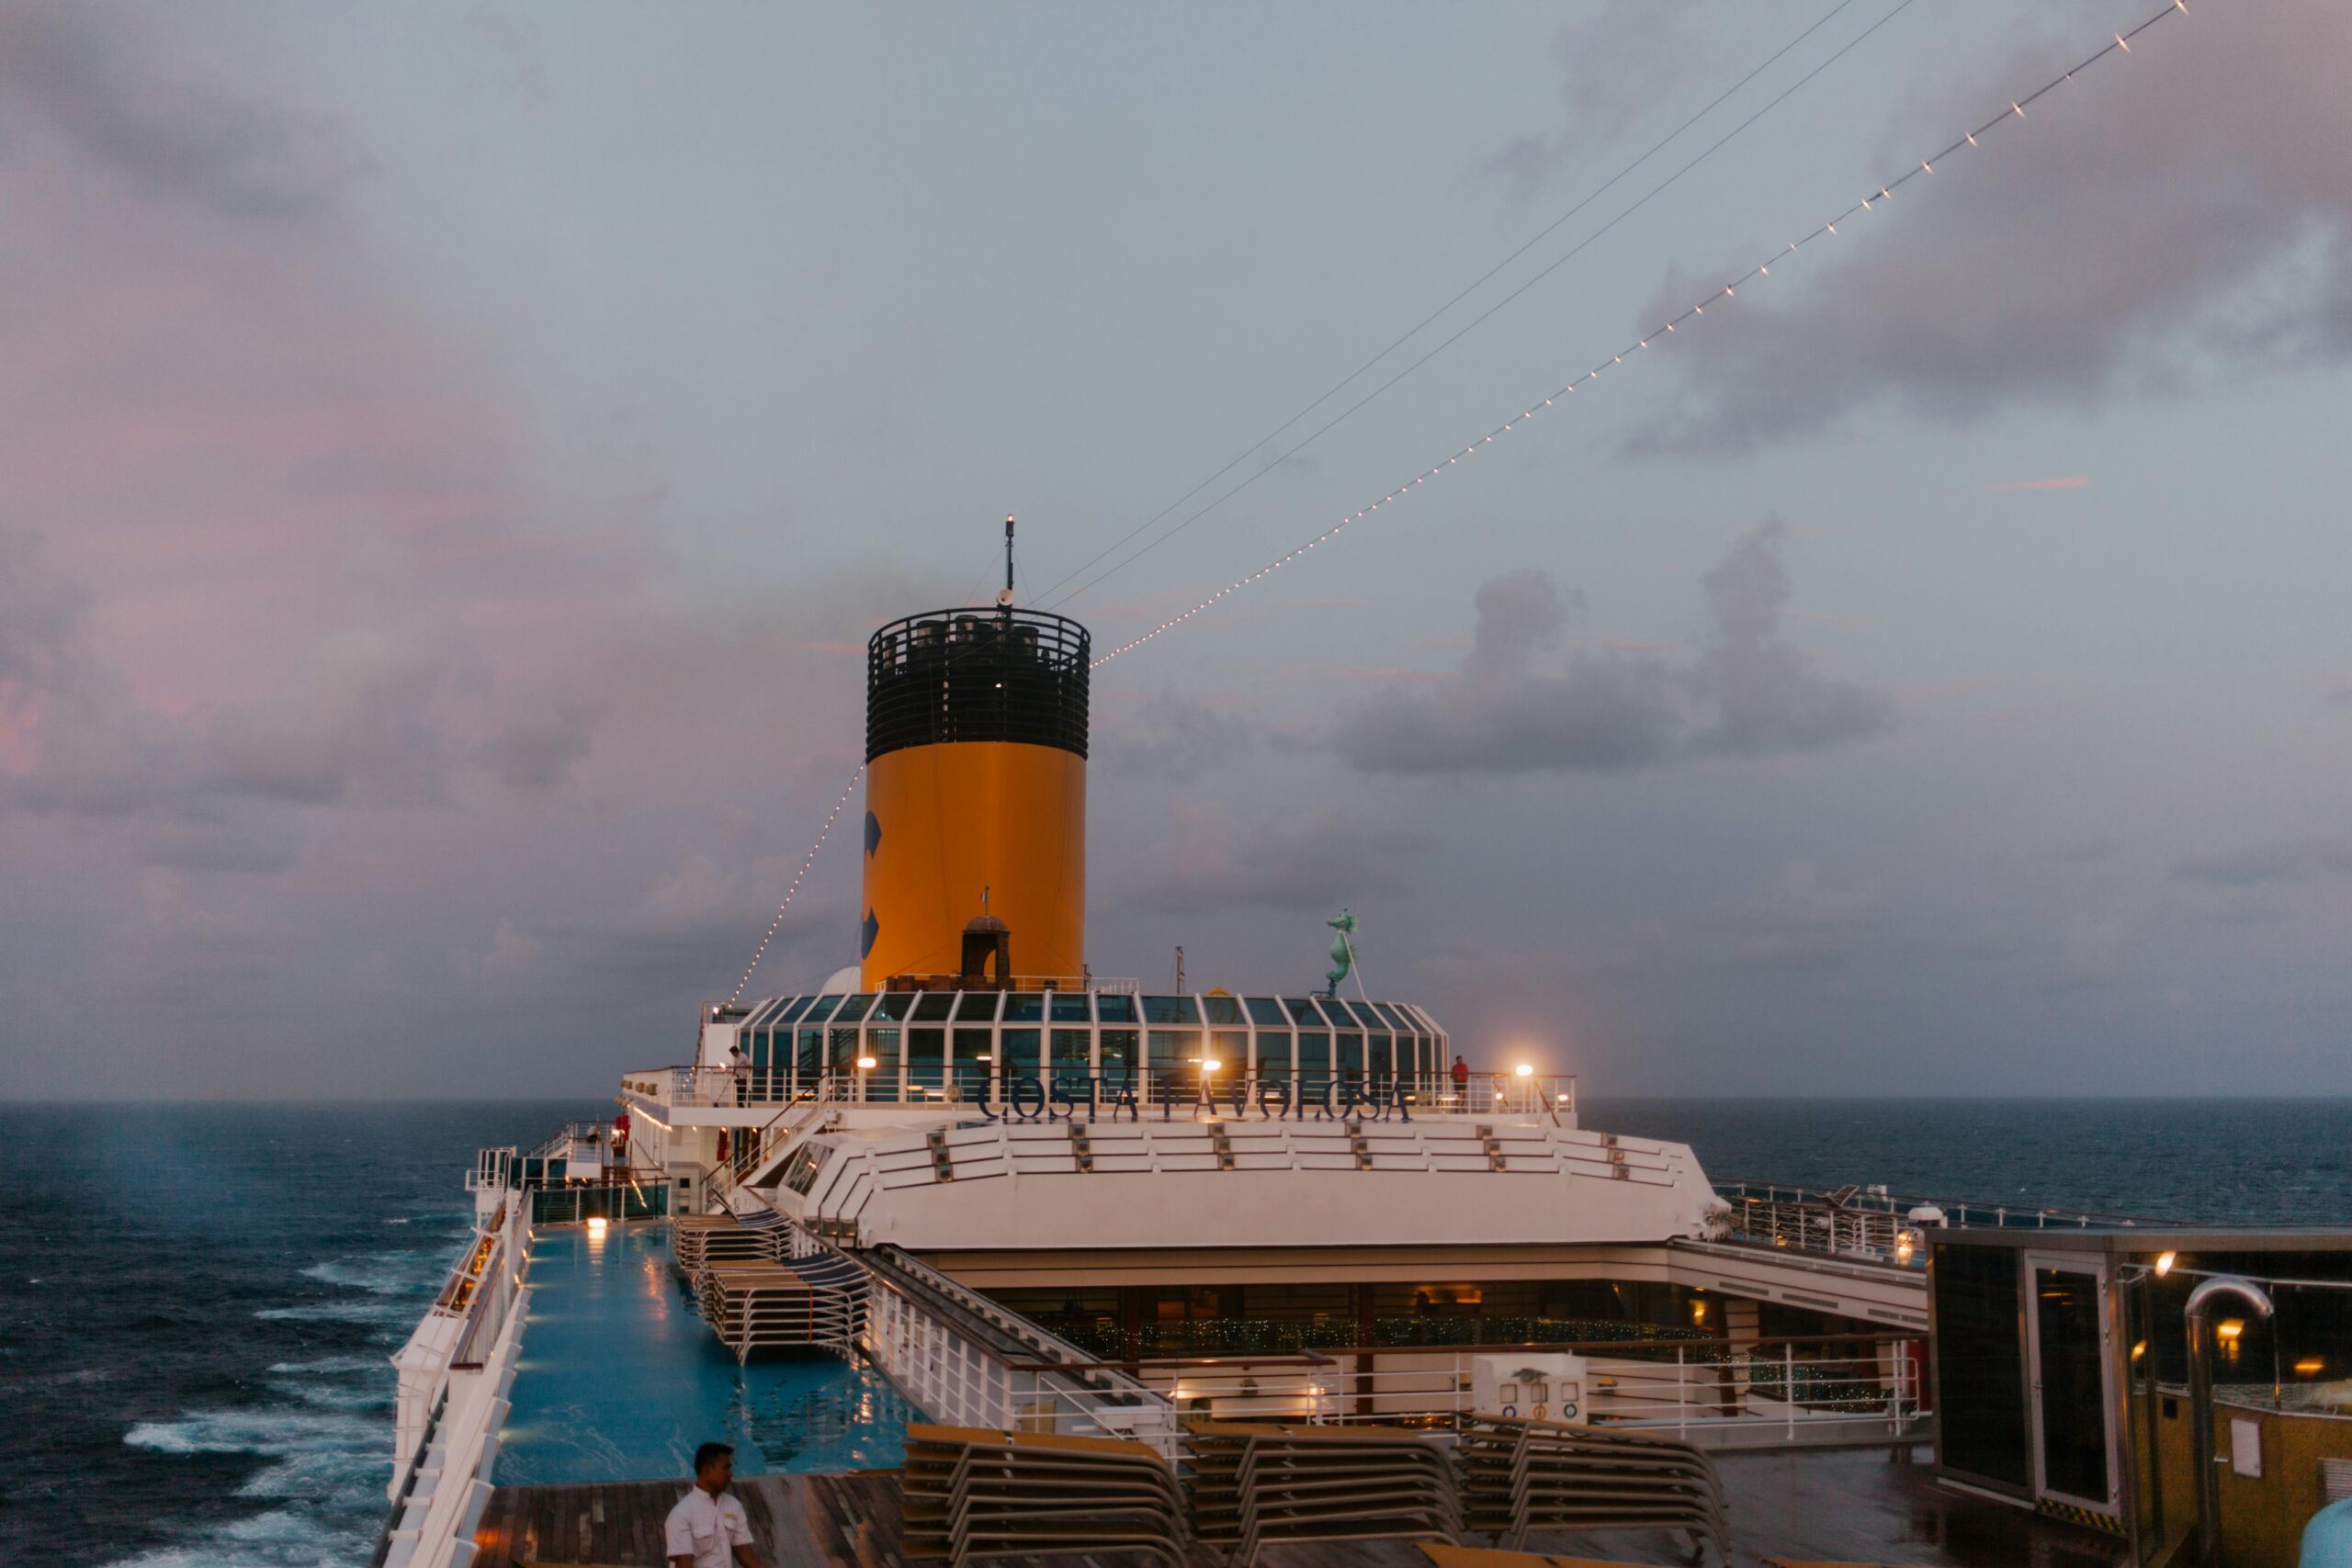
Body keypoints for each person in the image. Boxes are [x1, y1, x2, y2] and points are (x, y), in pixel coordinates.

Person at [667, 1442, 766, 1568]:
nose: (730, 1474)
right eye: (726, 1468)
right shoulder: (681, 1514)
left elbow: (744, 1553)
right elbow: (684, 1564)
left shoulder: (734, 1506)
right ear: (707, 1470)